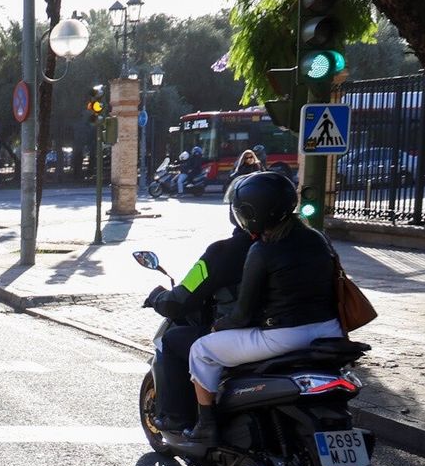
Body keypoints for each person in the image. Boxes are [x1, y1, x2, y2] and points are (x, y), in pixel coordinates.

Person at [185, 172, 343, 446]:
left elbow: (243, 315)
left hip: (284, 337)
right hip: (330, 331)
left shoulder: (262, 249)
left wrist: (217, 326)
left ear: (250, 214)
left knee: (201, 350)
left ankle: (206, 426)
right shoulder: (318, 238)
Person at [143, 212, 251, 432]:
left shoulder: (224, 252)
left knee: (172, 340)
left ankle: (177, 419)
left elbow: (184, 295)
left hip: (250, 334)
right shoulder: (312, 242)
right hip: (313, 331)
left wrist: (158, 299)